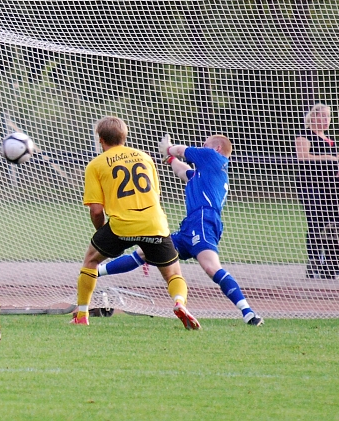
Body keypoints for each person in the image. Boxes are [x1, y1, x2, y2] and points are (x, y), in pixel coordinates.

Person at [97, 133, 264, 326]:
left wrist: (169, 148)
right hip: (190, 225)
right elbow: (183, 171)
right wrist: (169, 159)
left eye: (205, 144)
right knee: (144, 252)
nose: (201, 146)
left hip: (202, 221)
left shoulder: (213, 157)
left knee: (211, 267)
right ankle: (94, 271)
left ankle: (249, 313)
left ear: (217, 148)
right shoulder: (205, 174)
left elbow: (181, 150)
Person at [70, 116, 199, 330]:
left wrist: (101, 233)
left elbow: (96, 210)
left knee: (91, 260)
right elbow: (155, 195)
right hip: (154, 222)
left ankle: (82, 314)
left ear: (100, 139)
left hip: (121, 225)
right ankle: (179, 303)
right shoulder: (145, 157)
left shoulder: (96, 165)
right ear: (125, 136)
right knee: (174, 274)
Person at [295, 103, 339, 279]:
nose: (327, 120)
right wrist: (329, 158)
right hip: (311, 186)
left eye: (329, 116)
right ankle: (315, 262)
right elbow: (303, 157)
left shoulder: (330, 140)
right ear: (313, 117)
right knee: (316, 222)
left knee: (333, 223)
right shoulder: (304, 136)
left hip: (331, 188)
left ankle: (332, 263)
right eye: (323, 116)